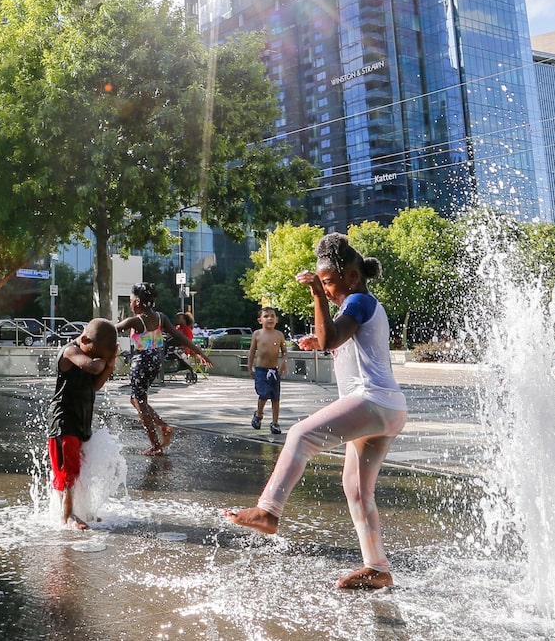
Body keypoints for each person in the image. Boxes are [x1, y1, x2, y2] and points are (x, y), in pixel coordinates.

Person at [225, 233, 409, 591]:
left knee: (300, 434)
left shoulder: (357, 300)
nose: (325, 290)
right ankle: (377, 567)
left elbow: (331, 338)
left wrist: (315, 304)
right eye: (321, 285)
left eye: (328, 282)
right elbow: (337, 341)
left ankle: (268, 511)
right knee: (356, 489)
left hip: (371, 401)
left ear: (352, 277)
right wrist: (317, 340)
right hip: (386, 408)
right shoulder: (361, 306)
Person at [115, 283, 212, 455]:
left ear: (136, 302)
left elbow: (111, 329)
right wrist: (201, 353)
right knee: (137, 400)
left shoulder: (136, 321)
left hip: (141, 362)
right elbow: (181, 337)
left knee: (139, 402)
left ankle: (156, 445)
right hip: (156, 362)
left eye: (130, 300)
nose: (130, 304)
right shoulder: (160, 317)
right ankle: (162, 427)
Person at [47, 318, 119, 529]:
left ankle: (80, 510)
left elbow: (95, 385)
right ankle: (67, 515)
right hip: (63, 421)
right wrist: (104, 361)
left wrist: (109, 363)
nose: (98, 359)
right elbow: (93, 367)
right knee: (68, 469)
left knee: (79, 468)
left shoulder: (91, 355)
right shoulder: (70, 352)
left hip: (81, 420)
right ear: (85, 339)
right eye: (96, 354)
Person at [248, 306, 288, 434]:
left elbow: (285, 352)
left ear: (277, 319)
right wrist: (250, 367)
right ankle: (259, 414)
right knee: (264, 394)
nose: (269, 318)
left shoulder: (279, 335)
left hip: (274, 370)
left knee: (275, 397)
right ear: (260, 320)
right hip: (261, 370)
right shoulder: (257, 334)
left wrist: (283, 364)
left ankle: (275, 422)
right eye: (266, 316)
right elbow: (252, 351)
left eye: (272, 316)